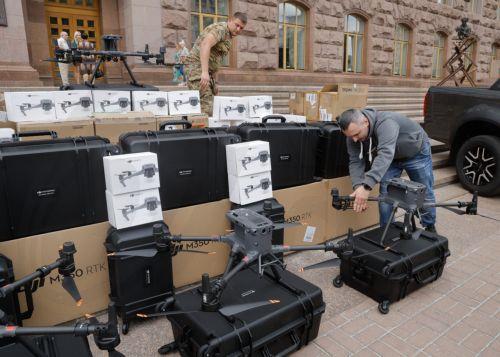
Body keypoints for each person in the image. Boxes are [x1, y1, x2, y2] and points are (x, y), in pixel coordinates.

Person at [337, 108, 437, 232]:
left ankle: (429, 226)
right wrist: (358, 187)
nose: (354, 140)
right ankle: (386, 231)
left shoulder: (386, 122)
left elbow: (385, 153)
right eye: (350, 136)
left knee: (424, 192)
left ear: (365, 122)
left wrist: (367, 186)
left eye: (357, 134)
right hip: (391, 159)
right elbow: (355, 161)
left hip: (415, 152)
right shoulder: (353, 134)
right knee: (385, 197)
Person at [184, 12, 247, 115]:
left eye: (241, 28)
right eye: (237, 25)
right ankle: (202, 130)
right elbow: (205, 44)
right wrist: (204, 73)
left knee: (212, 107)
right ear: (230, 20)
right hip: (196, 68)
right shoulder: (221, 29)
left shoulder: (228, 36)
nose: (238, 29)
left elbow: (215, 60)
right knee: (207, 107)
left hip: (206, 71)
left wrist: (215, 84)